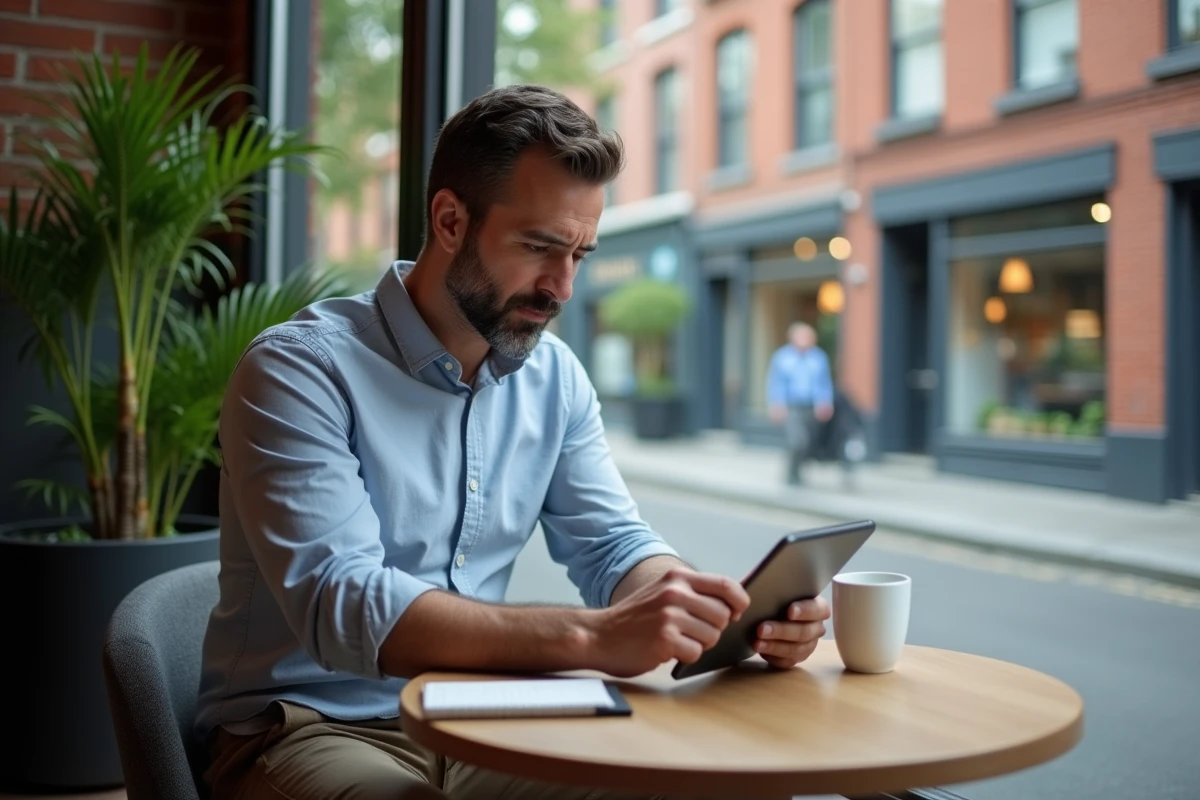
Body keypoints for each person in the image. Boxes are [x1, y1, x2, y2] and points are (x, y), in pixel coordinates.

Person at [195, 84, 831, 800]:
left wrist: (708, 612)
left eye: (581, 255)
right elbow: (343, 604)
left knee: (693, 783)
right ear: (449, 220)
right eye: (539, 247)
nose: (561, 287)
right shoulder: (298, 370)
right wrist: (592, 638)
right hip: (311, 728)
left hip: (481, 715)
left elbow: (614, 546)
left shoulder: (553, 377)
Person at [766, 322, 834, 486]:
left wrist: (825, 402)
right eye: (801, 336)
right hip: (792, 406)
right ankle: (791, 474)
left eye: (808, 337)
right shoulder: (782, 357)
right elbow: (776, 382)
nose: (805, 340)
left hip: (811, 406)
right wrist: (776, 404)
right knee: (798, 441)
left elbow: (824, 382)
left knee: (809, 444)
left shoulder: (818, 357)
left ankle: (798, 473)